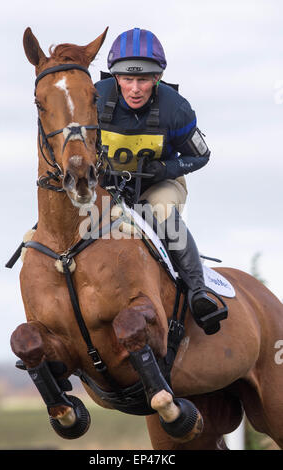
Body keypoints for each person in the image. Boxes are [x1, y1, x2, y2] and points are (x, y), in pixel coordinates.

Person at [95, 28, 226, 335]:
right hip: (109, 185)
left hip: (159, 184)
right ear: (115, 77)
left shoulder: (175, 107)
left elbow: (201, 156)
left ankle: (198, 291)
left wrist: (165, 169)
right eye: (128, 79)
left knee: (162, 212)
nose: (136, 88)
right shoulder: (95, 98)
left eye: (144, 80)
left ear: (157, 78)